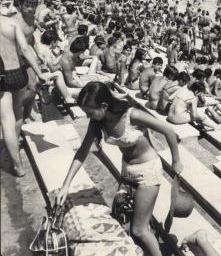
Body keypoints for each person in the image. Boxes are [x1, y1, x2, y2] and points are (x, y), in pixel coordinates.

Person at [55, 82, 183, 256]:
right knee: (123, 216)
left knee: (139, 230)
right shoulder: (96, 122)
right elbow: (82, 152)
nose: (87, 116)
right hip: (127, 171)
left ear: (104, 106)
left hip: (148, 171)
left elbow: (168, 130)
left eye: (89, 112)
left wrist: (176, 161)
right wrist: (65, 185)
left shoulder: (132, 115)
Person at [0, 13, 55, 176]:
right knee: (17, 114)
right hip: (17, 72)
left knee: (6, 120)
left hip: (1, 73)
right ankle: (14, 144)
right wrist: (39, 73)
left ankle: (18, 166)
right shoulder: (12, 23)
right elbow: (25, 49)